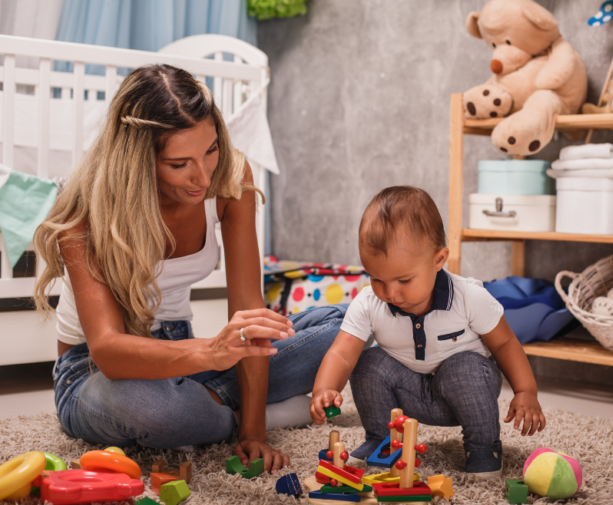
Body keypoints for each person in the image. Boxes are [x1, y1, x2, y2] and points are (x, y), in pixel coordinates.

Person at [34, 64, 346, 472]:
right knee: (154, 410)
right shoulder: (87, 207)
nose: (203, 176)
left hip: (188, 354)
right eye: (180, 164)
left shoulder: (230, 177)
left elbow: (248, 310)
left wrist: (254, 434)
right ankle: (244, 410)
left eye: (211, 149)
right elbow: (108, 351)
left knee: (347, 328)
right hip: (93, 374)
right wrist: (212, 354)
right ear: (138, 160)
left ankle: (216, 408)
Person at [309, 186, 545, 480]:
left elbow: (506, 343)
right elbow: (342, 353)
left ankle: (484, 446)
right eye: (377, 278)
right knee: (367, 363)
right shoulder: (369, 302)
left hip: (465, 396)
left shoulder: (469, 297)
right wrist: (324, 389)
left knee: (464, 367)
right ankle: (381, 439)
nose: (390, 292)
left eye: (404, 280)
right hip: (407, 395)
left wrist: (525, 391)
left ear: (438, 260)